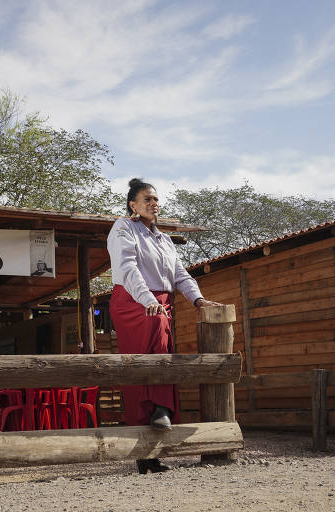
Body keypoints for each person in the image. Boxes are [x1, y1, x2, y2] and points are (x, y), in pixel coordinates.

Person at [107, 177, 221, 474]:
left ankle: (153, 452)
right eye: (147, 199)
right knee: (139, 369)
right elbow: (127, 268)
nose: (153, 204)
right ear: (133, 204)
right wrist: (147, 299)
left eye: (156, 199)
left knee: (164, 359)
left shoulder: (164, 239)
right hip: (133, 300)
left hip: (161, 303)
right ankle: (159, 411)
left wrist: (198, 300)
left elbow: (180, 275)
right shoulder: (122, 227)